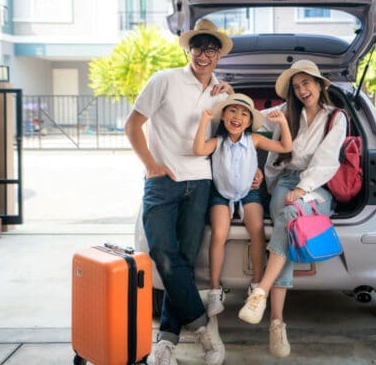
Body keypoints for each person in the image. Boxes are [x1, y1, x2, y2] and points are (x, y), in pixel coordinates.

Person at [125, 19, 241, 365]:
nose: (203, 55)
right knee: (162, 253)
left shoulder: (222, 92)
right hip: (162, 181)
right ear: (188, 49)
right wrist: (150, 165)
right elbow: (132, 125)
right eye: (197, 47)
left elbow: (239, 135)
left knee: (185, 263)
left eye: (210, 48)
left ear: (218, 54)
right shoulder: (164, 80)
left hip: (201, 182)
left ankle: (167, 341)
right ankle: (204, 327)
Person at [236, 59, 347, 358]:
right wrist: (226, 103)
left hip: (318, 186)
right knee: (287, 218)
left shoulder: (336, 117)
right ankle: (275, 324)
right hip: (285, 182)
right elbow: (255, 124)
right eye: (296, 87)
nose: (301, 91)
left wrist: (302, 188)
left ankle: (262, 296)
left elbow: (326, 161)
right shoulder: (286, 114)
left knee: (289, 215)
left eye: (306, 83)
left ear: (319, 84)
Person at [192, 93, 292, 318]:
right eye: (232, 111)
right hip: (222, 195)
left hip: (249, 194)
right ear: (224, 116)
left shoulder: (254, 139)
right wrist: (204, 122)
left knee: (256, 230)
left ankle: (256, 284)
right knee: (219, 233)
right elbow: (198, 149)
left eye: (244, 113)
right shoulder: (218, 142)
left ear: (249, 121)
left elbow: (285, 146)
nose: (238, 117)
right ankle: (215, 289)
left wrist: (283, 123)